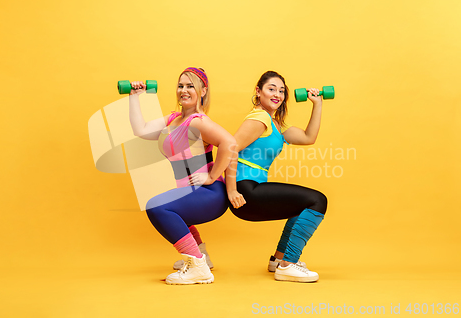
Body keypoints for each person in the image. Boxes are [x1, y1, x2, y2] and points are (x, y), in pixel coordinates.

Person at [128, 67, 236, 285]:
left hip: (210, 193)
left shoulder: (198, 121)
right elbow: (140, 130)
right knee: (171, 209)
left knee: (157, 207)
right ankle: (202, 254)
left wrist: (211, 176)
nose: (184, 90)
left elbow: (230, 143)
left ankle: (198, 265)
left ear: (203, 91)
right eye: (181, 86)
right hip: (190, 191)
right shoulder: (173, 119)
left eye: (191, 86)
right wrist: (134, 98)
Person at [226, 70, 328, 282]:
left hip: (253, 189)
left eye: (281, 91)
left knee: (302, 206)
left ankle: (279, 259)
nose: (277, 94)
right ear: (258, 91)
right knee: (318, 200)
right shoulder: (259, 118)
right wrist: (232, 190)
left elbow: (309, 138)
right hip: (245, 190)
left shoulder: (276, 125)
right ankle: (288, 264)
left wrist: (317, 104)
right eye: (271, 89)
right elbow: (230, 149)